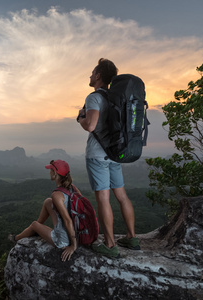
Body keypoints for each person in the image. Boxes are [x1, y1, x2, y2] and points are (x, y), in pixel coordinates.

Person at [77, 58, 140, 258]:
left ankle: (110, 245)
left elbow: (91, 125)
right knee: (121, 196)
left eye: (92, 72)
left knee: (103, 199)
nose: (89, 75)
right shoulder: (115, 97)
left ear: (98, 76)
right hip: (115, 153)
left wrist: (81, 118)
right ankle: (132, 237)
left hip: (98, 156)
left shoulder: (94, 97)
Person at [8, 160, 78, 262]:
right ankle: (38, 229)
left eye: (51, 170)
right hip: (74, 230)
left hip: (63, 240)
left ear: (55, 173)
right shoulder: (73, 188)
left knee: (34, 224)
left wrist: (73, 245)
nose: (49, 172)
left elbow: (67, 221)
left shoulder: (57, 195)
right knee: (48, 202)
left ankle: (16, 238)